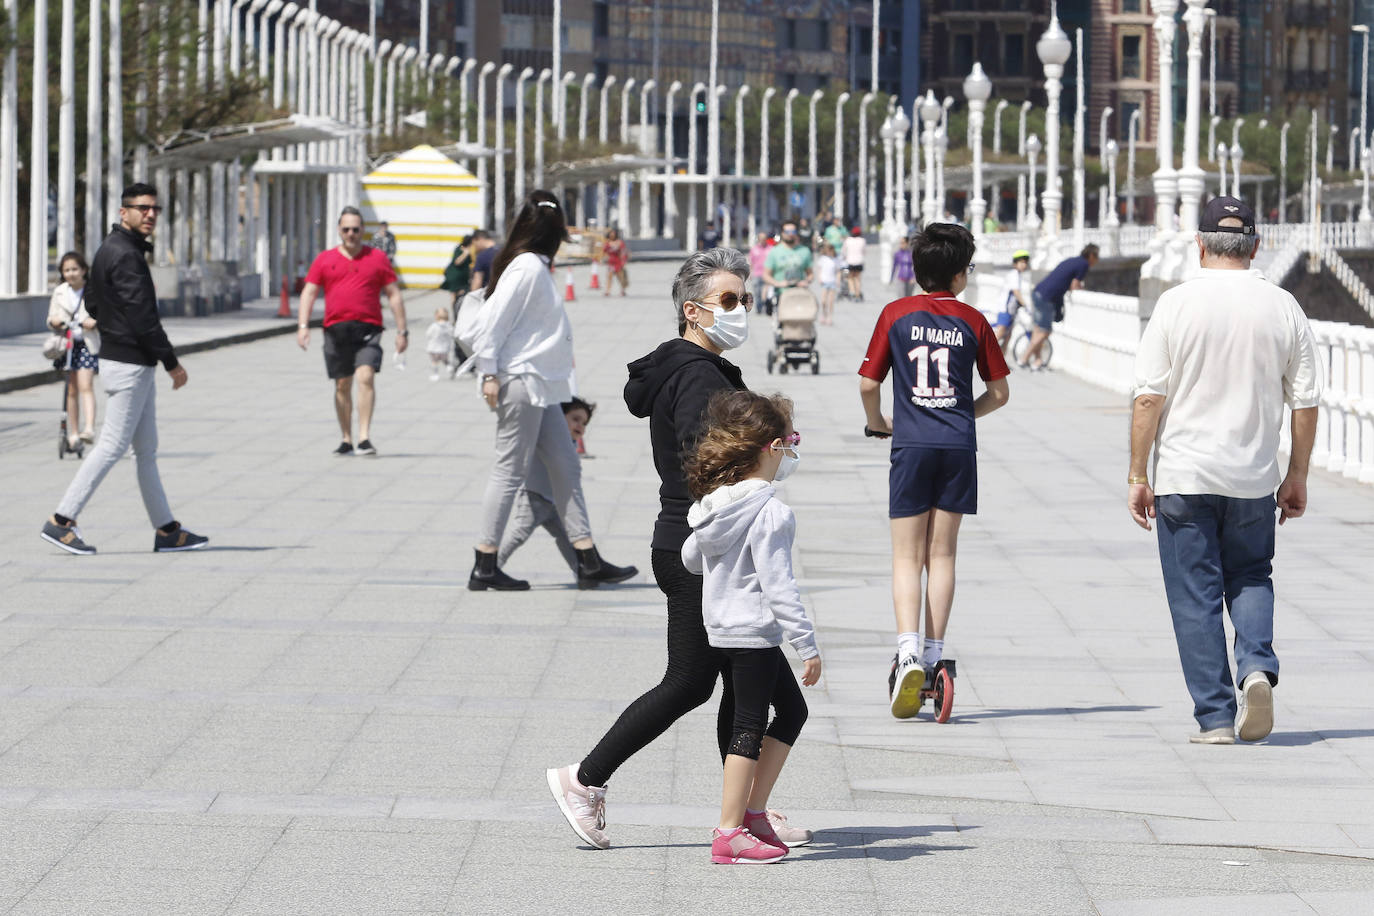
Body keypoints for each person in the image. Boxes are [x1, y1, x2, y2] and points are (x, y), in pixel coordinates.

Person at [547, 248, 814, 852]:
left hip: (696, 544)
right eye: (728, 301)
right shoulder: (696, 374)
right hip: (699, 549)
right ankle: (584, 780)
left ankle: (745, 813)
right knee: (694, 681)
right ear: (692, 312)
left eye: (745, 299)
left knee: (751, 693)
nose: (741, 309)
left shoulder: (697, 367)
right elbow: (709, 463)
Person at [1127, 197, 1321, 745]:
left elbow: (1148, 400)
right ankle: (1256, 668)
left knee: (1195, 594)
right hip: (1255, 476)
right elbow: (1304, 402)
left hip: (1184, 477)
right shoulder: (1283, 306)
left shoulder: (1175, 304)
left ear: (1201, 244)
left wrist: (1138, 474)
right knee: (1252, 575)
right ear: (1256, 245)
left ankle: (1214, 718)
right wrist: (1297, 474)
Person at [858, 223, 1010, 718]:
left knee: (907, 557)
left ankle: (905, 653)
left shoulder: (895, 314)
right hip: (956, 447)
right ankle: (933, 653)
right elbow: (1000, 392)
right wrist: (964, 412)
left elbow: (867, 382)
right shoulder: (973, 320)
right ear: (961, 274)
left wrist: (879, 423)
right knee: (941, 555)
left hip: (911, 445)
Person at [469, 190, 635, 592]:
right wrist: (489, 372)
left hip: (540, 386)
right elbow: (492, 323)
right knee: (509, 471)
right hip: (520, 382)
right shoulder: (526, 268)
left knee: (566, 464)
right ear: (554, 232)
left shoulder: (534, 267)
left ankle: (587, 558)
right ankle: (485, 564)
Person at [681, 390, 820, 865]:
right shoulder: (770, 512)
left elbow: (690, 559)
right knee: (748, 726)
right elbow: (780, 586)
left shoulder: (716, 504)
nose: (790, 451)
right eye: (789, 441)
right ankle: (729, 832)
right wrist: (807, 643)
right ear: (768, 448)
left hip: (722, 630)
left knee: (793, 713)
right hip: (756, 635)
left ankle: (753, 813)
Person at [39, 182, 208, 556]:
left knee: (146, 450)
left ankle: (167, 530)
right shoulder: (126, 255)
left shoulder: (109, 249)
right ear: (123, 212)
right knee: (112, 445)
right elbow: (144, 316)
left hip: (126, 360)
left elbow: (96, 304)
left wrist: (115, 329)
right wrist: (172, 363)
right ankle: (62, 520)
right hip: (130, 363)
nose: (150, 214)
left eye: (155, 209)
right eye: (142, 208)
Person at [297, 206, 407, 457]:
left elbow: (394, 294)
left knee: (366, 376)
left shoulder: (377, 258)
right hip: (335, 330)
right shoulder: (325, 259)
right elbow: (309, 292)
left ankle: (364, 437)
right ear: (339, 230)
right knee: (342, 384)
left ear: (363, 231)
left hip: (368, 329)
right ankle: (346, 437)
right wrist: (303, 326)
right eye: (346, 229)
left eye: (355, 230)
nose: (351, 234)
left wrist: (402, 331)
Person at [497, 398, 614, 573]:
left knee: (567, 537)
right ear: (558, 418)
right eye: (575, 419)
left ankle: (582, 571)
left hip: (556, 503)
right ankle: (492, 565)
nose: (580, 426)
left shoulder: (569, 444)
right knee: (518, 534)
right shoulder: (547, 440)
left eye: (584, 423)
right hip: (534, 498)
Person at [48, 251, 99, 448]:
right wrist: (55, 321)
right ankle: (74, 433)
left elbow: (104, 314)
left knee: (86, 384)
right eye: (66, 270)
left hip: (86, 343)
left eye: (74, 269)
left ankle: (89, 428)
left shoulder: (93, 291)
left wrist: (93, 322)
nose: (71, 274)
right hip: (67, 344)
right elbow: (51, 316)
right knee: (71, 390)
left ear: (84, 270)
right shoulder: (60, 291)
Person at [1024, 244, 1098, 370]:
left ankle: (1037, 360)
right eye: (1096, 256)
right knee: (1045, 331)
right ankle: (1024, 358)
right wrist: (1080, 287)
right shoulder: (1083, 265)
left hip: (1038, 292)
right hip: (1047, 297)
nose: (1097, 260)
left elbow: (1064, 280)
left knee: (1038, 329)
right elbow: (1074, 285)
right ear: (1091, 256)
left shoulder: (1072, 260)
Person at [761, 221, 813, 316]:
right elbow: (765, 275)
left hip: (799, 294)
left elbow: (810, 274)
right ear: (782, 233)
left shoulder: (805, 251)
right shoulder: (775, 252)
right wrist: (778, 283)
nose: (790, 234)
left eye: (793, 232)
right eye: (787, 231)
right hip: (781, 295)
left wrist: (806, 281)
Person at [994, 250, 1032, 351]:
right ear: (1015, 263)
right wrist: (1026, 305)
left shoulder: (1017, 275)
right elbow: (1016, 292)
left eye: (1025, 262)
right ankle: (982, 353)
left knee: (1008, 336)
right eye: (1021, 262)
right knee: (1001, 332)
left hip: (1011, 309)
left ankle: (1002, 359)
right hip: (1005, 308)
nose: (1024, 265)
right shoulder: (1014, 274)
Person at [439, 234, 473, 309]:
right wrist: (465, 253)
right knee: (453, 296)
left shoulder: (470, 251)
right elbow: (457, 262)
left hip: (463, 279)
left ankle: (458, 309)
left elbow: (469, 265)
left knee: (462, 294)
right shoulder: (459, 249)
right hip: (454, 277)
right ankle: (455, 313)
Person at [425, 307, 454, 381]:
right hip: (444, 349)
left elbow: (428, 334)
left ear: (436, 316)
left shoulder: (434, 326)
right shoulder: (449, 326)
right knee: (445, 361)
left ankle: (435, 374)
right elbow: (452, 334)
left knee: (434, 362)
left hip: (434, 348)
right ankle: (449, 368)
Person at [815, 241, 839, 324]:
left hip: (832, 281)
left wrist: (838, 280)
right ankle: (824, 314)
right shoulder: (823, 259)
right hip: (825, 281)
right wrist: (819, 278)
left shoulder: (835, 259)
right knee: (823, 301)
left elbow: (838, 271)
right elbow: (819, 269)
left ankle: (830, 316)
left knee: (831, 301)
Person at [602, 227, 630, 296]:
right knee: (609, 277)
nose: (612, 235)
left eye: (613, 234)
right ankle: (607, 291)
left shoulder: (619, 242)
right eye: (611, 234)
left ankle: (622, 290)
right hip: (611, 262)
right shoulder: (608, 243)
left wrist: (624, 261)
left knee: (620, 277)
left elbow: (624, 252)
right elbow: (604, 251)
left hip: (618, 262)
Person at [841, 226, 867, 300]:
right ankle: (857, 294)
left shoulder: (848, 240)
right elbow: (864, 251)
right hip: (859, 261)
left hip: (850, 261)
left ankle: (852, 291)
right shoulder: (862, 240)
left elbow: (843, 251)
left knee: (850, 278)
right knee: (858, 279)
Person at [747, 232, 771, 312]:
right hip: (757, 274)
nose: (762, 240)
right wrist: (750, 273)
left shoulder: (770, 248)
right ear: (758, 239)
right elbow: (751, 262)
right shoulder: (754, 249)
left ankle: (765, 306)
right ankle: (759, 307)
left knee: (766, 292)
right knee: (757, 292)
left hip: (767, 275)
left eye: (764, 239)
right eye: (761, 239)